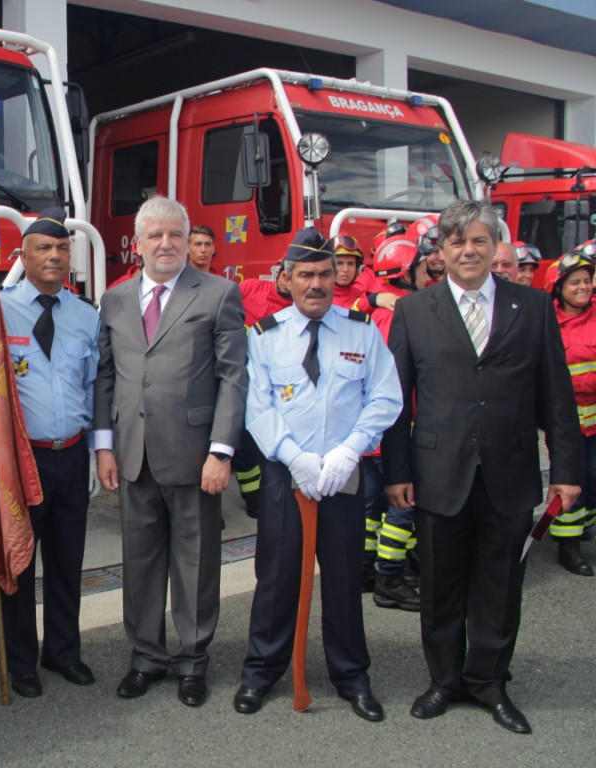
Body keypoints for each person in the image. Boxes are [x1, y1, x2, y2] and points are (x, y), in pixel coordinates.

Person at [382, 200, 583, 735]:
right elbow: (397, 401)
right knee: (440, 587)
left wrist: (567, 469)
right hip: (436, 475)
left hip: (510, 473)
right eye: (456, 242)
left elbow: (556, 396)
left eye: (478, 240)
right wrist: (397, 473)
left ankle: (490, 681)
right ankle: (445, 680)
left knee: (499, 586)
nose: (467, 250)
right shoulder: (413, 311)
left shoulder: (534, 307)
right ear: (440, 251)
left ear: (495, 246)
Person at [234, 227, 402, 720]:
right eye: (305, 274)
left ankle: (351, 676)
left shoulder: (362, 331)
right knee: (277, 578)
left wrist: (351, 450)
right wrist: (293, 456)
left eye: (325, 274)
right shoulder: (264, 336)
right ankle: (260, 672)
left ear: (337, 278)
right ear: (286, 279)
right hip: (288, 475)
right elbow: (256, 406)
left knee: (345, 579)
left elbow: (386, 397)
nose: (316, 284)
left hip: (342, 476)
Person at [95, 196, 247, 708]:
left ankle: (191, 659)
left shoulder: (219, 294)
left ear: (187, 241)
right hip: (132, 455)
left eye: (175, 235)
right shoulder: (114, 300)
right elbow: (106, 376)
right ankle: (145, 657)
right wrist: (104, 446)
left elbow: (232, 378)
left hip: (194, 456)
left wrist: (221, 451)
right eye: (155, 236)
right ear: (136, 245)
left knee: (195, 564)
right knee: (139, 563)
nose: (166, 244)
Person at [0, 207, 101, 698]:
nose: (56, 256)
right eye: (44, 248)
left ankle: (63, 652)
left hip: (71, 454)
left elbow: (91, 386)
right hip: (22, 459)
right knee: (19, 563)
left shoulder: (85, 315)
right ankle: (21, 662)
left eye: (63, 248)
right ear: (23, 255)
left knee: (67, 559)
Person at [361, 234, 436, 612]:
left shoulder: (385, 311)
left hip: (380, 432)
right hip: (395, 430)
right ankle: (390, 578)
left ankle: (372, 570)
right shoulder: (397, 316)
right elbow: (399, 383)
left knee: (374, 509)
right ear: (405, 274)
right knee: (404, 505)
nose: (430, 271)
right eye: (423, 267)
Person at [544, 249, 596, 574]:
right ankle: (568, 546)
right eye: (575, 282)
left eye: (587, 280)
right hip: (565, 422)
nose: (583, 287)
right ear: (559, 287)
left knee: (592, 478)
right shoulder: (545, 321)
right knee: (570, 479)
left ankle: (585, 518)